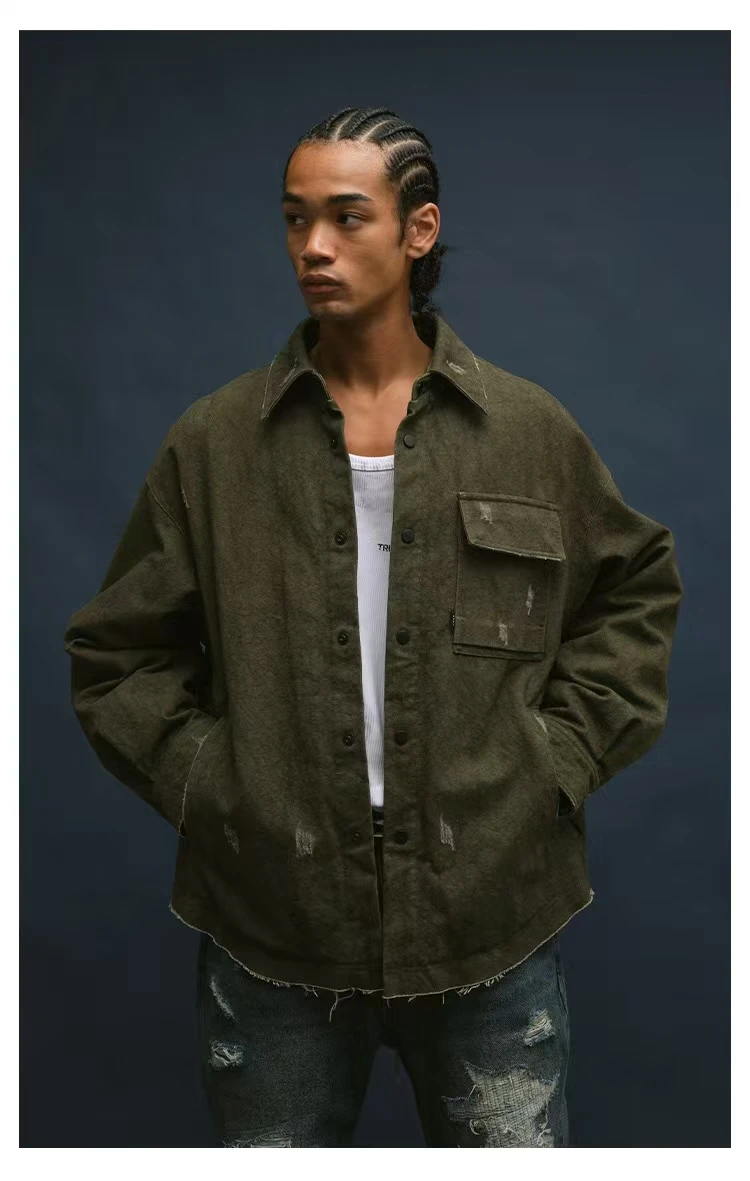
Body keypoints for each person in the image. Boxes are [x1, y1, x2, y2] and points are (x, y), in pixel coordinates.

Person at [63, 105, 684, 1148]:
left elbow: (635, 592)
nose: (313, 245)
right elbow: (116, 653)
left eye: (347, 216)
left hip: (490, 919)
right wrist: (215, 783)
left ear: (419, 230)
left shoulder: (528, 432)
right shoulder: (214, 444)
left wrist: (553, 762)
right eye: (295, 218)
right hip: (274, 928)